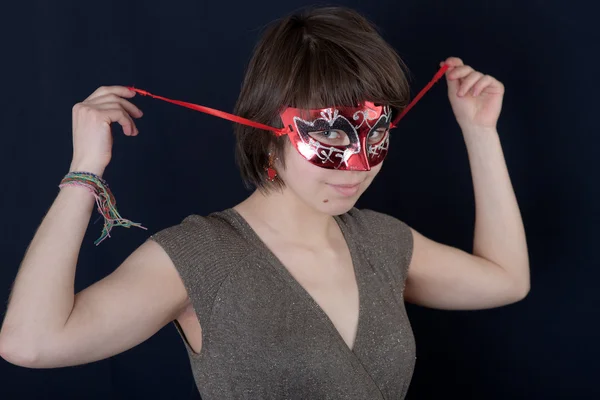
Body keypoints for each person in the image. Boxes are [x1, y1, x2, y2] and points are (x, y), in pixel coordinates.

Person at [0, 6, 529, 399]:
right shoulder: (199, 257)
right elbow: (31, 343)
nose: (359, 166)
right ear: (268, 131)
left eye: (377, 135)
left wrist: (480, 132)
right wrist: (84, 172)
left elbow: (506, 279)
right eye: (333, 139)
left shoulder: (383, 241)